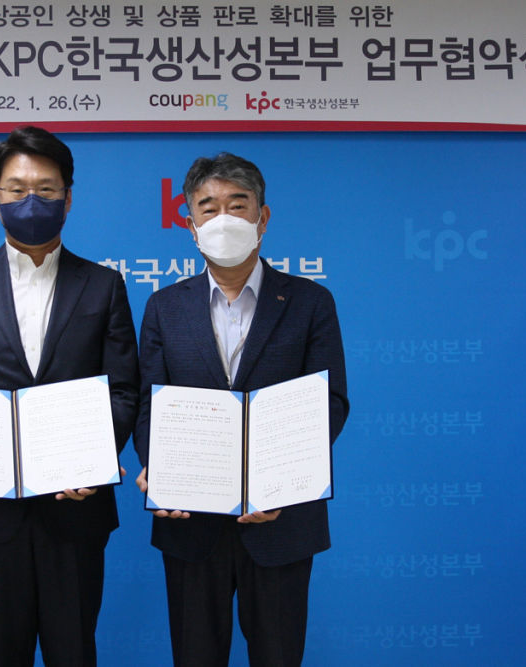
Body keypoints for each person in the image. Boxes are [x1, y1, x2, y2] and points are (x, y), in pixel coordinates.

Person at [0, 126, 139, 667]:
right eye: (16, 190)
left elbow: (123, 388)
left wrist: (93, 460)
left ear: (68, 197)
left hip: (75, 507)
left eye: (46, 188)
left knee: (74, 651)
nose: (31, 201)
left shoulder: (103, 285)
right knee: (1, 651)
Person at [134, 152, 349, 667]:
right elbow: (148, 404)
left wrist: (283, 482)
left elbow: (330, 402)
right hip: (191, 523)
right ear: (191, 225)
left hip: (281, 522)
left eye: (238, 204)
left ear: (262, 217)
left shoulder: (310, 302)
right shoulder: (164, 307)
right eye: (208, 208)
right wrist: (159, 468)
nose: (223, 219)